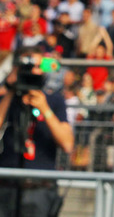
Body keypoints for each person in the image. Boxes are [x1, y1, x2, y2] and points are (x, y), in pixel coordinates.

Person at [0, 47, 74, 217]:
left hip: (39, 188)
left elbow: (68, 144)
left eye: (38, 65)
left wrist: (44, 108)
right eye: (27, 65)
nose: (33, 70)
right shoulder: (7, 98)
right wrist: (11, 88)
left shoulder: (54, 100)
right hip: (6, 186)